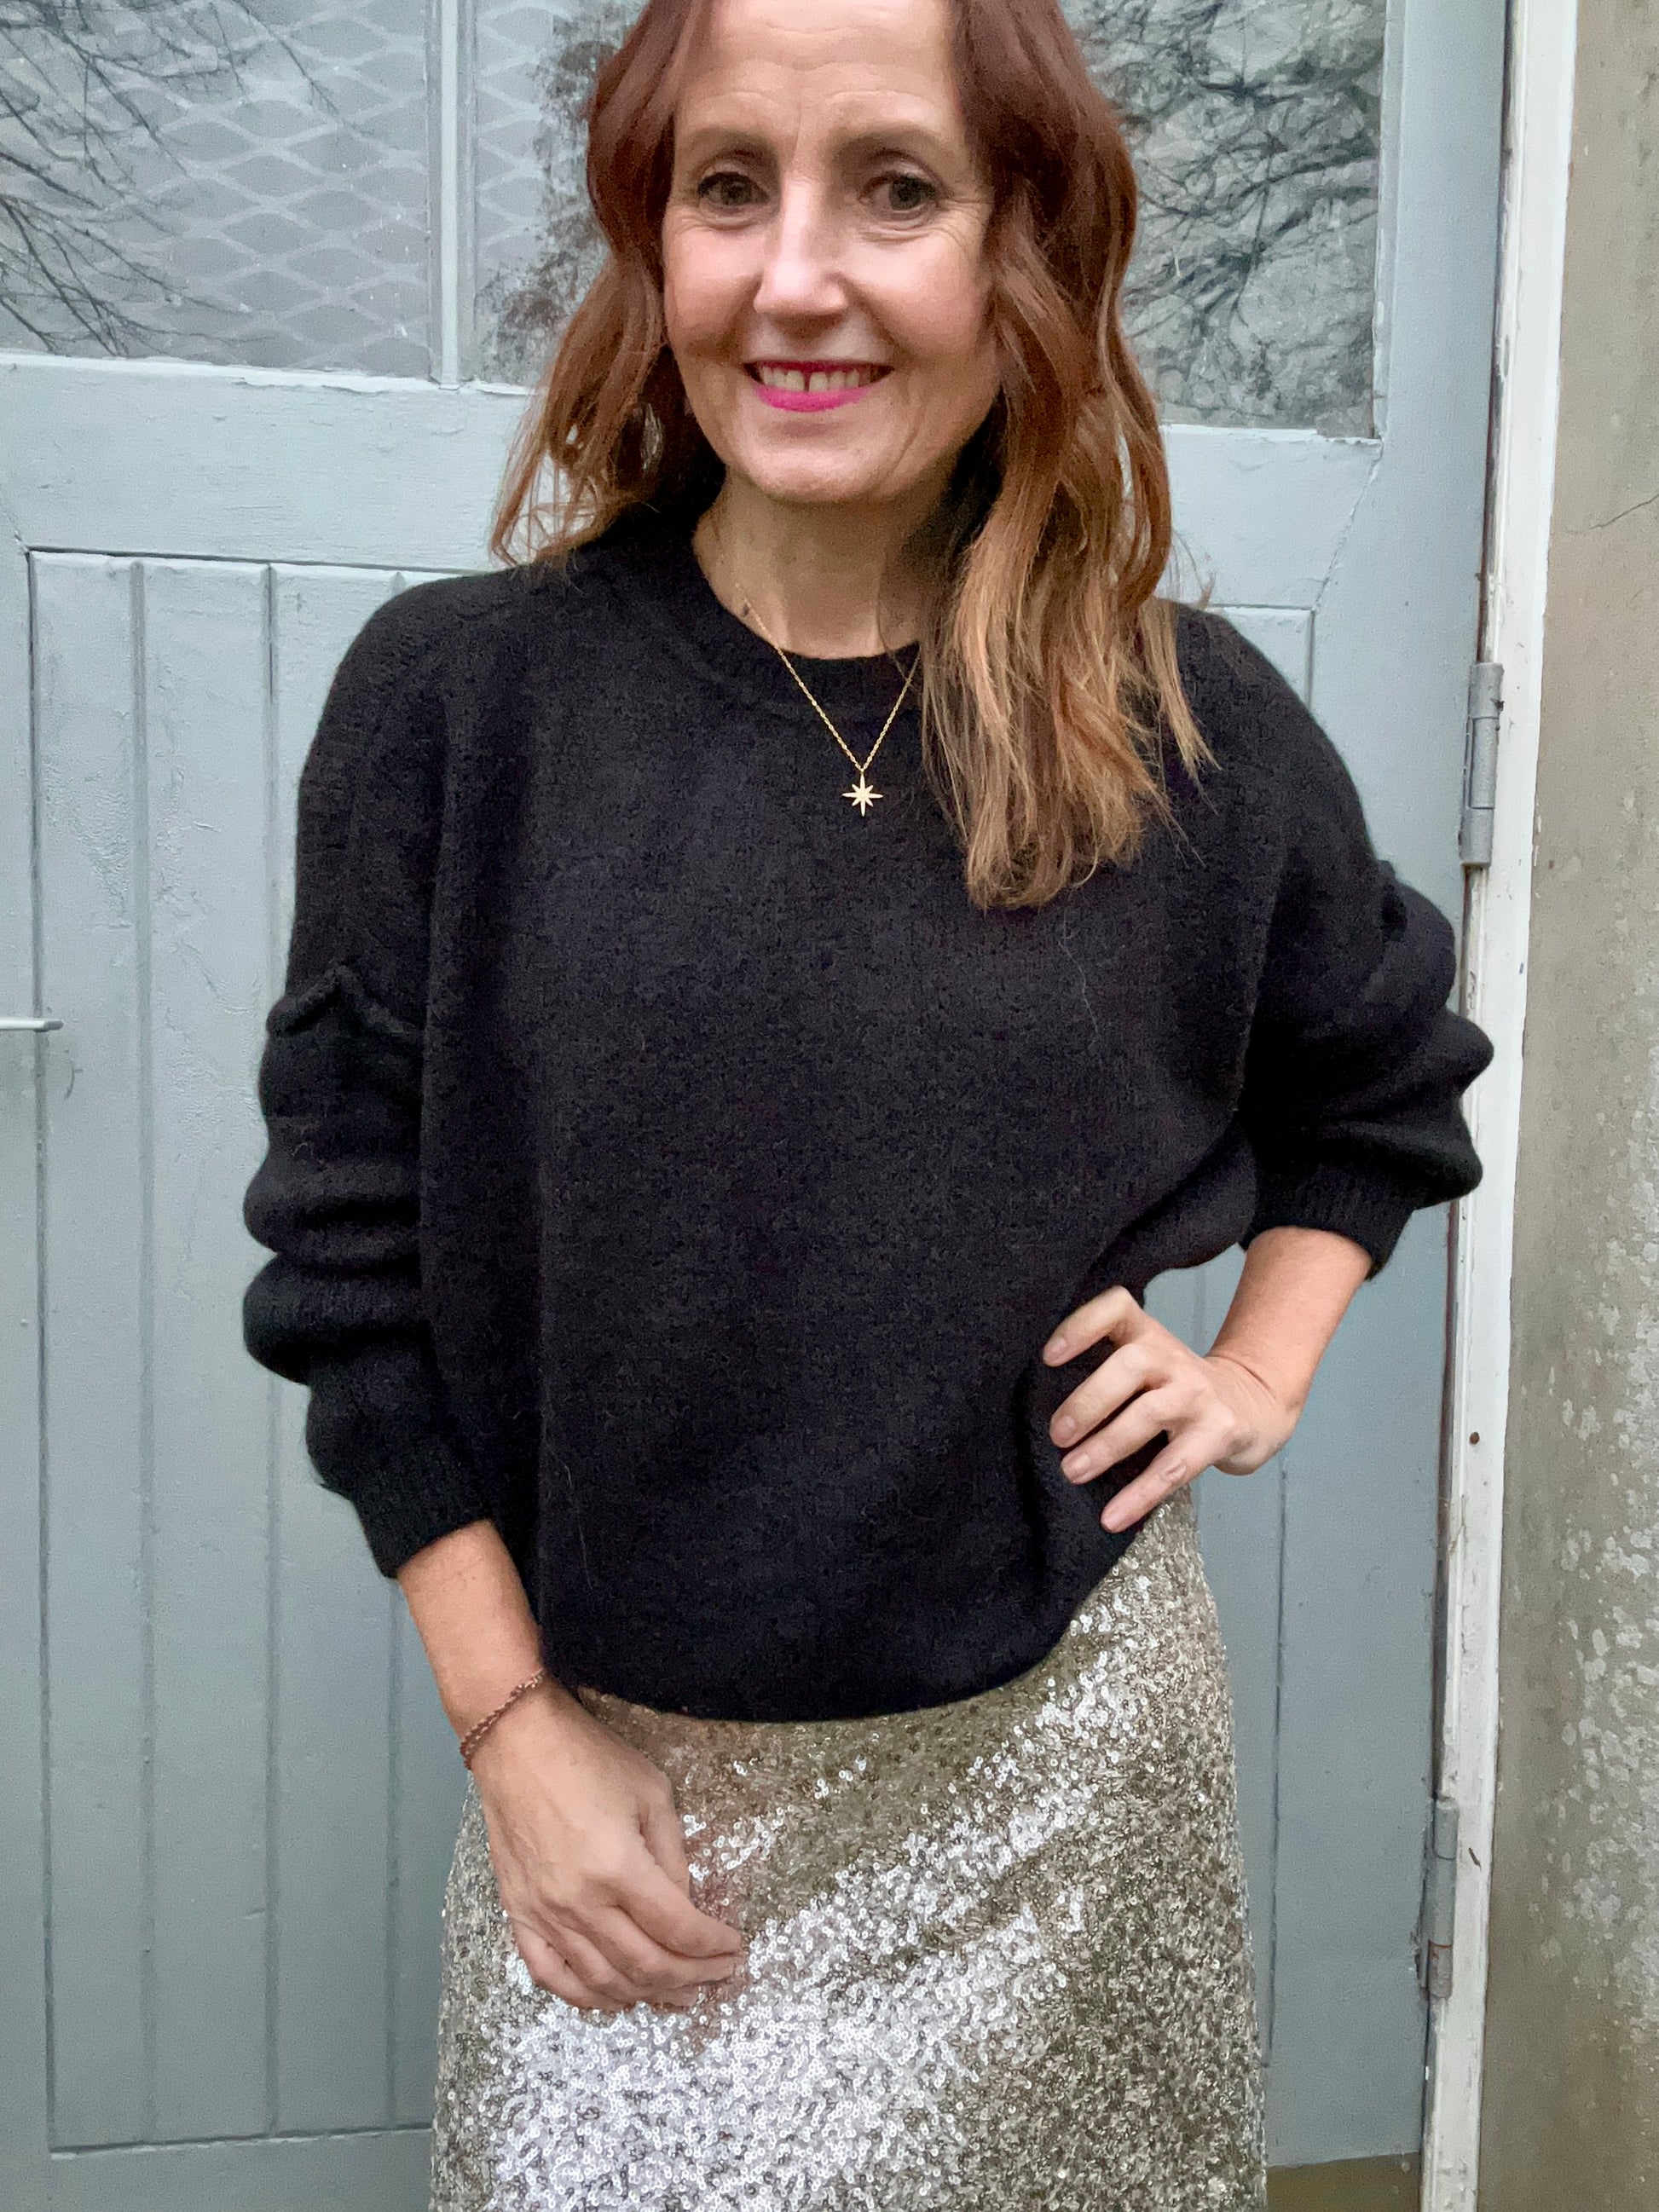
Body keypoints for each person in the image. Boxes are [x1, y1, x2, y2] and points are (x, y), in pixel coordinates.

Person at [239, 0, 1492, 2203]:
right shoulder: (461, 710)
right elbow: (349, 1269)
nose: (794, 276)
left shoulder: (1175, 728)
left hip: (1058, 1804)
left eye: (893, 189)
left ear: (1022, 255)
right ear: (655, 244)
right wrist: (509, 1726)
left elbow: (1379, 1077)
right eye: (729, 187)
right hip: (623, 1807)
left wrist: (1255, 1372)